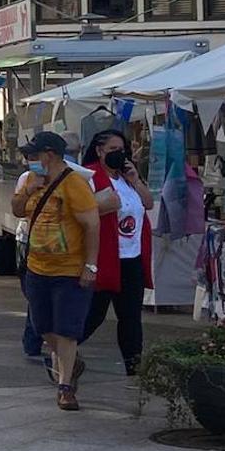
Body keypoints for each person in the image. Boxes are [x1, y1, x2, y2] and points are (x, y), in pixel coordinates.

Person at [11, 131, 99, 412]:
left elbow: (92, 225)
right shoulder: (29, 181)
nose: (30, 160)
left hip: (69, 269)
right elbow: (16, 210)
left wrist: (90, 265)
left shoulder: (75, 183)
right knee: (42, 327)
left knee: (66, 329)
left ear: (49, 155)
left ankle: (65, 387)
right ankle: (69, 361)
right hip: (37, 267)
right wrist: (29, 189)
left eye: (34, 155)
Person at [81, 129, 154, 377]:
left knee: (131, 316)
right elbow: (81, 212)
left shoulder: (126, 178)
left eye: (121, 149)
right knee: (94, 314)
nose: (118, 154)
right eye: (112, 150)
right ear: (99, 151)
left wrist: (135, 179)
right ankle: (63, 349)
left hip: (131, 258)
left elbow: (148, 203)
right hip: (105, 257)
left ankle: (134, 364)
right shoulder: (90, 176)